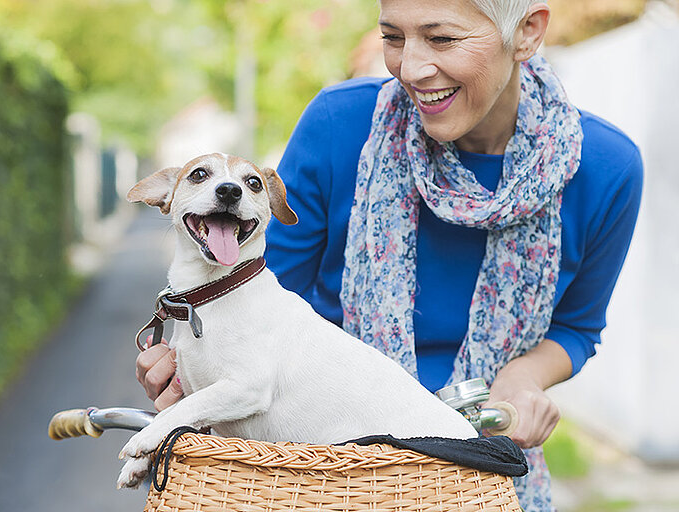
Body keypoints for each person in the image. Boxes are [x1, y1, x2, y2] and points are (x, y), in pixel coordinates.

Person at [135, 0, 642, 510]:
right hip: (320, 477)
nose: (411, 67)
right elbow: (249, 295)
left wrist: (524, 377)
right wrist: (195, 364)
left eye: (441, 39)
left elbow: (576, 327)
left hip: (480, 479)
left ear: (528, 32)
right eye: (393, 37)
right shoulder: (339, 126)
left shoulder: (606, 169)